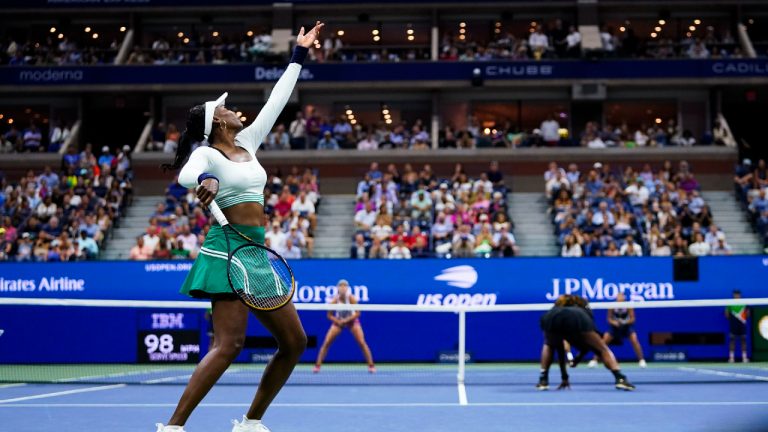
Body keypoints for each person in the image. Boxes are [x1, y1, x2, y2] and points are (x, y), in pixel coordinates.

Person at [155, 21, 323, 432]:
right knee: (228, 344)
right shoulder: (207, 154)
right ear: (218, 122)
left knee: (295, 342)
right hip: (226, 248)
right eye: (226, 107)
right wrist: (204, 181)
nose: (233, 108)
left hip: (257, 252)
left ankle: (249, 422)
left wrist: (299, 55)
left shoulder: (248, 141)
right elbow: (184, 176)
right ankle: (173, 427)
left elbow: (278, 100)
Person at [537, 294, 635, 391]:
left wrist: (565, 376)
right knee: (602, 349)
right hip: (578, 318)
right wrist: (578, 358)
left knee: (549, 345)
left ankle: (543, 380)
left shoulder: (554, 310)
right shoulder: (582, 310)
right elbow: (589, 345)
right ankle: (620, 378)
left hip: (550, 318)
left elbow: (559, 348)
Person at [313, 280, 375, 373]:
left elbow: (358, 313)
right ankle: (317, 366)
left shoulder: (352, 299)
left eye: (345, 286)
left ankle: (371, 366)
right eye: (341, 286)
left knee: (362, 342)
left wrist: (346, 320)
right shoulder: (334, 301)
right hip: (338, 322)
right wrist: (338, 321)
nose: (343, 288)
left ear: (347, 288)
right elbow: (329, 315)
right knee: (326, 342)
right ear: (338, 288)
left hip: (352, 321)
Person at [588, 292, 647, 368]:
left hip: (627, 326)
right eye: (618, 296)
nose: (620, 298)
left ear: (624, 298)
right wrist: (614, 322)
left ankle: (641, 360)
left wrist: (624, 322)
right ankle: (594, 360)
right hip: (614, 327)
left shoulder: (628, 306)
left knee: (634, 340)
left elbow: (632, 319)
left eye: (621, 296)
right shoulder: (612, 306)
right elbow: (609, 319)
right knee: (603, 341)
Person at [726, 290, 749, 363]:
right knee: (732, 340)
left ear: (740, 295)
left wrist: (742, 318)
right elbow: (726, 313)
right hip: (733, 323)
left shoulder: (744, 302)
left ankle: (744, 358)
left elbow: (747, 313)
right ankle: (731, 358)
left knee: (743, 340)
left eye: (738, 294)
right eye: (735, 295)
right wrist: (732, 319)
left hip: (742, 323)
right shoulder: (730, 303)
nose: (736, 296)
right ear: (733, 295)